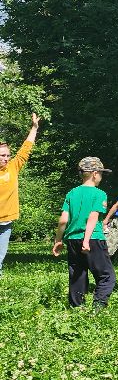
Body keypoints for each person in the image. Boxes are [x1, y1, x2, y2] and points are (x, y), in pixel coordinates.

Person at [52, 156, 116, 309]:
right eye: (101, 173)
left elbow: (63, 220)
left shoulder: (71, 193)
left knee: (77, 275)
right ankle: (98, 307)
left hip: (72, 239)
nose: (101, 177)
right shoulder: (99, 194)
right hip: (93, 238)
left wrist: (58, 240)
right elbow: (93, 217)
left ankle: (76, 308)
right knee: (106, 275)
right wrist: (86, 240)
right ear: (95, 173)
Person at [0, 113, 40, 275]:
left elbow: (25, 149)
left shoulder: (13, 167)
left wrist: (34, 128)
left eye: (8, 155)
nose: (6, 158)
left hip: (6, 223)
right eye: (3, 155)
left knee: (0, 258)